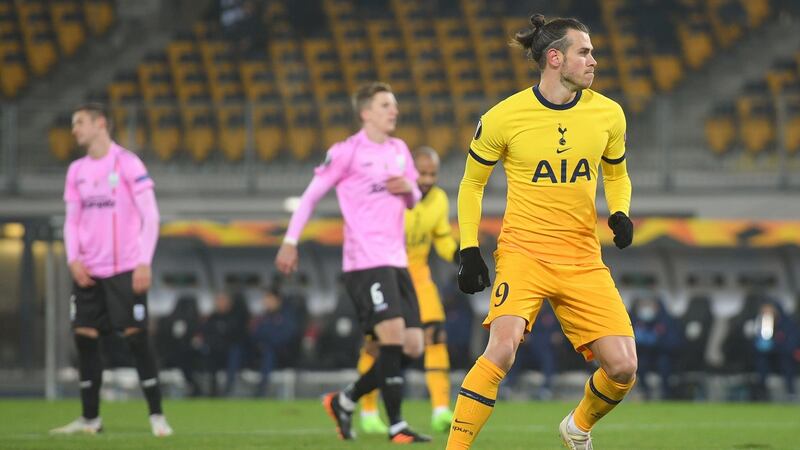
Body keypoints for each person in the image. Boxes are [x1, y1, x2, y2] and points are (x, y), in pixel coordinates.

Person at [447, 14, 636, 450]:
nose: (594, 61)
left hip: (583, 258)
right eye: (584, 52)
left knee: (624, 368)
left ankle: (578, 426)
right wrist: (469, 249)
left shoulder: (609, 114)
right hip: (524, 252)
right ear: (555, 58)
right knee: (502, 348)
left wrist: (621, 212)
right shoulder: (503, 117)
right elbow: (472, 183)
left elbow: (618, 175)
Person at [275, 82, 431, 443]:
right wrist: (289, 240)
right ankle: (396, 426)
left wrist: (408, 189)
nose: (394, 111)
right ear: (365, 113)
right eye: (385, 105)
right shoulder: (347, 152)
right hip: (365, 262)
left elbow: (414, 200)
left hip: (396, 260)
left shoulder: (399, 149)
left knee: (412, 347)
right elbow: (311, 196)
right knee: (392, 338)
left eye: (394, 105)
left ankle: (345, 400)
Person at [51, 103, 173, 437]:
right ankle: (90, 420)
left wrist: (144, 261)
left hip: (125, 269)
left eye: (80, 122)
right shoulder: (76, 171)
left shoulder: (128, 163)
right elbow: (72, 220)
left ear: (100, 123)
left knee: (136, 338)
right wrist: (73, 259)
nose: (74, 129)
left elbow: (152, 216)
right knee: (85, 338)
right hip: (88, 270)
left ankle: (157, 416)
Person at [357, 146, 459, 434]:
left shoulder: (439, 199)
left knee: (436, 337)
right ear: (409, 172)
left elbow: (441, 236)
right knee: (376, 344)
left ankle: (440, 409)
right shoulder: (391, 195)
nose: (427, 179)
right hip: (388, 274)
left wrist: (459, 256)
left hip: (419, 276)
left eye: (433, 174)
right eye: (422, 173)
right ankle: (367, 411)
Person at [631, 295, 681, 400]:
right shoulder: (635, 322)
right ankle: (645, 392)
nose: (647, 309)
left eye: (650, 306)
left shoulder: (667, 321)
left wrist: (657, 342)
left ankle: (666, 394)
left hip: (663, 355)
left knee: (664, 364)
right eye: (643, 306)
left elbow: (674, 343)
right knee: (638, 364)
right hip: (644, 356)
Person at [251, 287, 300, 397]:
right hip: (262, 351)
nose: (266, 302)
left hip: (283, 354)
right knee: (237, 350)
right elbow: (256, 334)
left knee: (269, 352)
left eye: (269, 299)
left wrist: (268, 340)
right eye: (265, 299)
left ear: (278, 300)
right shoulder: (263, 316)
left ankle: (261, 391)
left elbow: (286, 336)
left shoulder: (287, 315)